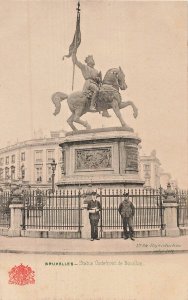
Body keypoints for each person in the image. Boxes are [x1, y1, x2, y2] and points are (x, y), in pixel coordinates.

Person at [72, 52, 111, 117]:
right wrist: (73, 55)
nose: (93, 61)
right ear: (88, 61)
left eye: (93, 59)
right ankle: (92, 106)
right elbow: (76, 62)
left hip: (95, 83)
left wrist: (98, 79)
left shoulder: (96, 70)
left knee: (104, 92)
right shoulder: (85, 67)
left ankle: (104, 110)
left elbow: (98, 79)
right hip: (89, 83)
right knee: (96, 90)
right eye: (91, 59)